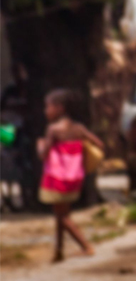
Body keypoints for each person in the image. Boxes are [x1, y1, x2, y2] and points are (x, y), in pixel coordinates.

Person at [37, 89, 103, 261]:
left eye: (48, 107)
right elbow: (99, 144)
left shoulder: (53, 130)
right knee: (60, 214)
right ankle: (58, 251)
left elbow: (43, 155)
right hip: (74, 178)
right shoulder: (79, 129)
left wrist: (40, 145)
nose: (46, 111)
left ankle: (86, 246)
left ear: (59, 108)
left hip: (57, 178)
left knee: (63, 216)